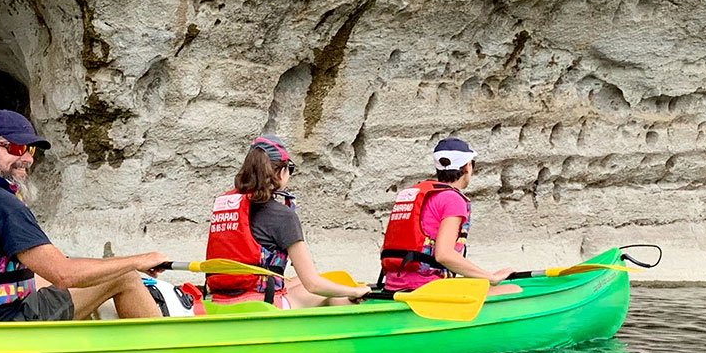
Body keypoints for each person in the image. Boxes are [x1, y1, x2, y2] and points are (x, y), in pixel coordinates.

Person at [0, 109, 164, 321]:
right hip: (1, 322)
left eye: (30, 150)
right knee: (124, 276)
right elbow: (64, 274)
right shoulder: (1, 202)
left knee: (42, 278)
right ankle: (164, 351)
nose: (27, 159)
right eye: (17, 147)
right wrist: (138, 261)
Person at [206, 136, 370, 309]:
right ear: (280, 172)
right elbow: (313, 284)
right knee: (339, 296)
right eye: (290, 168)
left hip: (221, 299)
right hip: (262, 304)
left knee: (299, 281)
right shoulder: (282, 215)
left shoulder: (227, 206)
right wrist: (354, 292)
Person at [378, 136, 512, 291]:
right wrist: (491, 277)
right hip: (427, 289)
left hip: (393, 287)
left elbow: (385, 249)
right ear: (467, 166)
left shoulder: (414, 194)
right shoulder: (452, 199)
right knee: (511, 289)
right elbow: (444, 255)